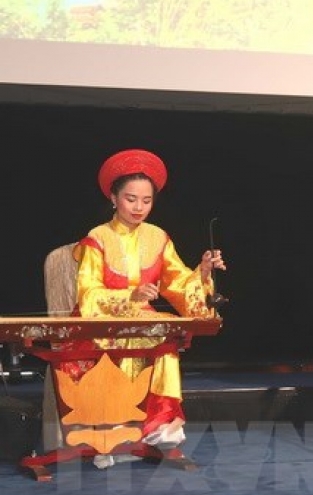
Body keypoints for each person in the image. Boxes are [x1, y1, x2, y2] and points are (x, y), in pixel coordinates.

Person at [57, 148, 226, 468]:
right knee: (136, 340)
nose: (138, 207)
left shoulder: (158, 237)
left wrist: (202, 272)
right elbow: (88, 293)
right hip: (104, 323)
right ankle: (115, 427)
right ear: (113, 198)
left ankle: (159, 426)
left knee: (165, 339)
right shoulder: (98, 238)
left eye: (146, 201)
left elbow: (178, 284)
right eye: (131, 198)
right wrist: (131, 297)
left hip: (145, 322)